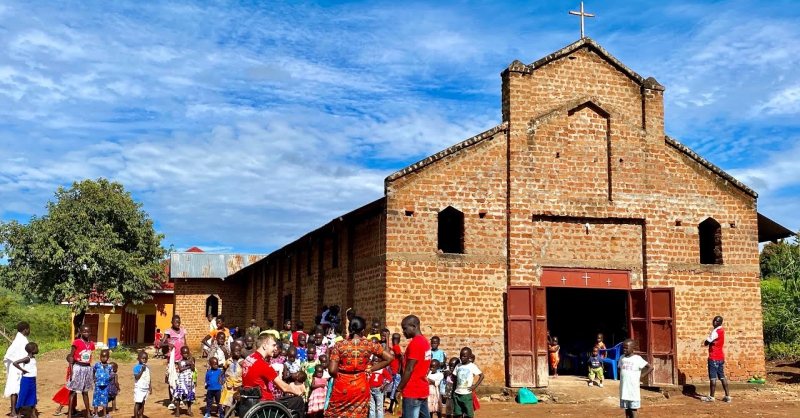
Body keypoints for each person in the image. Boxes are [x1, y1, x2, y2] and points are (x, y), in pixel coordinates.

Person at [325, 316, 394, 418]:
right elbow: (389, 358)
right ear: (363, 330)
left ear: (349, 329)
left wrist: (341, 376)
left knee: (336, 414)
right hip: (361, 385)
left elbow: (331, 370)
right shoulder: (369, 344)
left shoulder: (339, 345)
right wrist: (371, 369)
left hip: (343, 385)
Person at [241, 334, 305, 417]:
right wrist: (297, 391)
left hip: (250, 401)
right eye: (273, 345)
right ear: (264, 346)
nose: (275, 348)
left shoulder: (248, 358)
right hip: (265, 403)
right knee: (298, 401)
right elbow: (284, 387)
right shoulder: (263, 365)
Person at [396, 315, 431, 418]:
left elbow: (409, 369)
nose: (403, 332)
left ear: (414, 327)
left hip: (412, 391)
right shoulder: (425, 342)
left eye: (405, 328)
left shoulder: (415, 343)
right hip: (422, 389)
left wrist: (399, 389)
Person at [619, 339, 653, 418]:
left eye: (626, 348)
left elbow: (650, 367)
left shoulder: (637, 359)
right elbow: (619, 368)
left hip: (633, 389)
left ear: (633, 349)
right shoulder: (622, 358)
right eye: (623, 348)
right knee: (626, 409)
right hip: (624, 389)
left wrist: (642, 376)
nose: (624, 349)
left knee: (633, 409)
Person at [160, 315, 188, 410]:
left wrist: (189, 355)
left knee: (181, 380)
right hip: (173, 360)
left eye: (179, 322)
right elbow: (160, 344)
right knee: (171, 380)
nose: (178, 323)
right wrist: (168, 343)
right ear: (172, 322)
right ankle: (172, 400)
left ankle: (179, 399)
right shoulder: (169, 332)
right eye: (176, 322)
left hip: (182, 359)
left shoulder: (183, 331)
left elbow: (185, 344)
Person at [67, 324, 95, 418]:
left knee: (85, 392)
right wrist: (71, 371)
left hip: (87, 368)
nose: (86, 333)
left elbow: (89, 356)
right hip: (78, 368)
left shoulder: (91, 344)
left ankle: (88, 413)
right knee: (73, 392)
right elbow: (71, 357)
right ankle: (69, 414)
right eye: (84, 331)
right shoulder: (77, 342)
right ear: (81, 332)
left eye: (88, 331)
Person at [4, 321, 31, 418]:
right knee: (15, 389)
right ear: (25, 330)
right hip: (17, 368)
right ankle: (13, 412)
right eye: (29, 329)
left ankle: (16, 410)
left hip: (16, 367)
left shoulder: (20, 339)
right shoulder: (22, 341)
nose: (29, 331)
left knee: (17, 389)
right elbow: (20, 356)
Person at [702, 315, 731, 403]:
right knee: (722, 376)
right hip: (720, 357)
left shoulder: (715, 332)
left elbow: (706, 342)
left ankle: (711, 396)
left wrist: (710, 343)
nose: (715, 322)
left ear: (720, 323)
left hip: (713, 357)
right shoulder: (722, 331)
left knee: (713, 378)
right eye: (714, 320)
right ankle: (727, 396)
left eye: (717, 321)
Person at [452, 348, 482, 418]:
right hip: (457, 393)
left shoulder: (472, 366)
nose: (462, 357)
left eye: (464, 356)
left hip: (467, 394)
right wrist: (454, 391)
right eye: (461, 356)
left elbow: (481, 376)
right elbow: (455, 378)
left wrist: (475, 386)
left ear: (469, 357)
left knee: (468, 414)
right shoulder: (458, 366)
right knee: (457, 413)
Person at [12, 342, 38, 418]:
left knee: (33, 396)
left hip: (32, 379)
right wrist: (22, 370)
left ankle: (33, 413)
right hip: (26, 380)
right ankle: (18, 412)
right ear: (32, 350)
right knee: (23, 395)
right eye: (36, 348)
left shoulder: (33, 358)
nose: (37, 349)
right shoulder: (27, 358)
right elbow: (15, 363)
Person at [220, 342, 243, 417]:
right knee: (227, 402)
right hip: (229, 386)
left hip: (238, 386)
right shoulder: (228, 361)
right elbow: (224, 369)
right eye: (236, 351)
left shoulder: (242, 362)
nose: (238, 353)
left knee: (237, 402)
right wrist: (220, 376)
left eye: (239, 351)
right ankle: (226, 415)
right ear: (232, 352)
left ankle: (235, 414)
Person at [173, 346, 196, 417]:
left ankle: (189, 410)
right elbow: (180, 369)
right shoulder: (180, 361)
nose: (185, 354)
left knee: (189, 396)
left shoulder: (191, 360)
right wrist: (188, 365)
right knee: (179, 396)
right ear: (181, 354)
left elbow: (193, 368)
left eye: (187, 353)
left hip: (189, 381)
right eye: (184, 353)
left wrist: (191, 363)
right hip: (182, 381)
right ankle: (177, 411)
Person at [91, 350, 113, 418]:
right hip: (98, 385)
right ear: (100, 357)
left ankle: (105, 414)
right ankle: (96, 414)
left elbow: (111, 374)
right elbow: (93, 371)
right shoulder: (97, 365)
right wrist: (94, 378)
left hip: (106, 386)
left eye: (105, 357)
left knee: (105, 400)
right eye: (102, 357)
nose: (103, 358)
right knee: (96, 399)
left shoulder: (109, 366)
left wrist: (109, 379)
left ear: (108, 357)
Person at [386, 333, 404, 414]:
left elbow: (401, 357)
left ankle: (395, 408)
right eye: (393, 339)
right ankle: (391, 407)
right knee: (392, 390)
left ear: (399, 340)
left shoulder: (396, 347)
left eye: (396, 339)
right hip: (392, 372)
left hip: (395, 372)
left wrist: (399, 370)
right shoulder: (394, 347)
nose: (394, 341)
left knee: (395, 390)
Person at [132, 351, 152, 418]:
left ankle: (140, 415)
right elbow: (137, 377)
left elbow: (149, 377)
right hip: (139, 388)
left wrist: (150, 386)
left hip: (145, 388)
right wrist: (142, 370)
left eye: (146, 359)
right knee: (138, 403)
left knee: (143, 402)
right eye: (143, 358)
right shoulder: (137, 367)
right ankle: (135, 416)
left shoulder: (148, 367)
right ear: (138, 359)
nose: (144, 360)